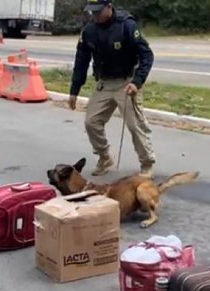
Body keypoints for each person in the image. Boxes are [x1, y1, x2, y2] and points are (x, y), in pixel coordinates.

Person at [69, 0, 155, 177]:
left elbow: (146, 55)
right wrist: (74, 90)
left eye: (98, 11)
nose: (95, 16)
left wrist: (137, 82)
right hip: (105, 82)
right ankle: (105, 156)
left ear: (109, 7)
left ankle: (146, 163)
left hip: (127, 81)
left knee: (134, 125)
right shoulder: (89, 31)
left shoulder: (126, 25)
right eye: (92, 12)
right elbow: (81, 61)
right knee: (91, 122)